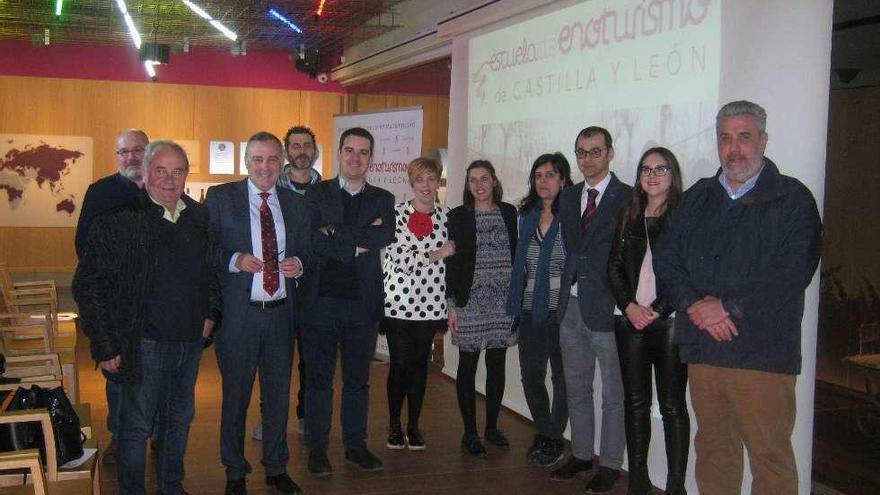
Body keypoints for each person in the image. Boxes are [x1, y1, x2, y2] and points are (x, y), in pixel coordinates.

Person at [654, 100, 822, 494]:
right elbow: (666, 257)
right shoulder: (698, 197)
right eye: (725, 138)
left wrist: (727, 307)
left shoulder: (793, 200)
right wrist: (696, 305)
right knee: (713, 451)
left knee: (770, 460)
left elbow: (792, 273)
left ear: (763, 140)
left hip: (762, 354)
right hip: (704, 350)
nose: (734, 148)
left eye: (744, 137)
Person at [73, 140, 218, 495]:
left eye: (178, 171)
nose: (169, 180)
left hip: (188, 343)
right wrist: (105, 344)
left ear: (186, 176)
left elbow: (213, 272)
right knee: (135, 427)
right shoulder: (120, 220)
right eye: (161, 170)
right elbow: (88, 284)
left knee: (178, 422)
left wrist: (211, 314)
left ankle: (172, 486)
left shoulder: (199, 217)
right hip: (143, 344)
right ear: (146, 173)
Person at [205, 132, 310, 495]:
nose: (265, 167)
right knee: (236, 396)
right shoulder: (220, 198)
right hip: (239, 316)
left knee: (278, 396)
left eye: (271, 160)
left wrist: (299, 263)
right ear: (246, 163)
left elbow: (306, 250)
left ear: (280, 163)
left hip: (281, 314)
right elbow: (205, 251)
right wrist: (234, 260)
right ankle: (235, 470)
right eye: (257, 160)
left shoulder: (295, 204)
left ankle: (276, 466)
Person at [300, 127, 395, 477]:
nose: (356, 158)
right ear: (339, 153)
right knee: (319, 380)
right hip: (320, 302)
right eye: (350, 150)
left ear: (371, 157)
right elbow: (311, 239)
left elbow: (384, 235)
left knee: (358, 381)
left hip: (362, 305)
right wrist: (356, 242)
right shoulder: (317, 194)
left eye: (363, 152)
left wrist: (335, 231)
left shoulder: (383, 198)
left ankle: (355, 445)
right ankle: (317, 449)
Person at [554, 126, 631, 492]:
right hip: (570, 304)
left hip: (609, 307)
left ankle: (611, 463)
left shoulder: (628, 198)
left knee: (614, 392)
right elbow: (574, 247)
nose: (587, 159)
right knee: (577, 386)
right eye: (581, 152)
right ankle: (583, 454)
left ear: (610, 154)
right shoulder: (568, 197)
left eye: (595, 152)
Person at [608, 147, 688, 495]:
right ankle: (638, 479)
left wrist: (658, 308)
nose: (652, 175)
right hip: (630, 322)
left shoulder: (685, 216)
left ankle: (675, 485)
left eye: (660, 168)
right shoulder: (629, 213)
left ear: (673, 175)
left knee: (672, 405)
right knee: (636, 402)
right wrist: (629, 306)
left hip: (669, 322)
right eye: (645, 169)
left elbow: (689, 271)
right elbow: (612, 267)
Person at [75, 128, 149, 464]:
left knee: (156, 375)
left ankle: (157, 436)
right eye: (124, 152)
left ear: (148, 152)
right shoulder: (100, 192)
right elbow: (84, 248)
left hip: (155, 306)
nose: (131, 157)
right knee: (118, 377)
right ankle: (119, 439)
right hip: (118, 307)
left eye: (137, 150)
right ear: (116, 156)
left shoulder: (162, 189)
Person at [253, 125, 321, 442]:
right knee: (273, 360)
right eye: (295, 146)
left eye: (307, 145)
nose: (301, 151)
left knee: (309, 357)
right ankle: (268, 418)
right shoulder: (270, 187)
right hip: (275, 290)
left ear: (315, 151)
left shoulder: (326, 190)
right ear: (286, 153)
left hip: (312, 287)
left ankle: (305, 413)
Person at [382, 157, 455, 451]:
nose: (426, 186)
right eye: (420, 180)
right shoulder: (395, 213)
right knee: (399, 364)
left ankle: (413, 425)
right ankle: (394, 425)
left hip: (432, 304)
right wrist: (438, 254)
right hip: (398, 303)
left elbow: (454, 262)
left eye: (431, 179)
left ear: (438, 181)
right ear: (411, 184)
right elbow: (400, 259)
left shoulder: (448, 216)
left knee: (419, 366)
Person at [446, 160, 518, 458]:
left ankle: (491, 427)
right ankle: (470, 432)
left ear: (493, 181)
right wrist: (451, 304)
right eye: (472, 180)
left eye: (484, 178)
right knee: (467, 365)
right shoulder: (458, 217)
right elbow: (451, 262)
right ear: (467, 186)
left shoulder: (509, 212)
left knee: (497, 364)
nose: (479, 185)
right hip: (470, 301)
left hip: (503, 301)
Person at [506, 153, 573, 467]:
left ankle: (553, 438)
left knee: (563, 379)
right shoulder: (527, 215)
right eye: (538, 175)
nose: (544, 181)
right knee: (531, 376)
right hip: (531, 308)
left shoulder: (572, 215)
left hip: (563, 311)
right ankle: (546, 433)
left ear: (563, 180)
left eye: (550, 175)